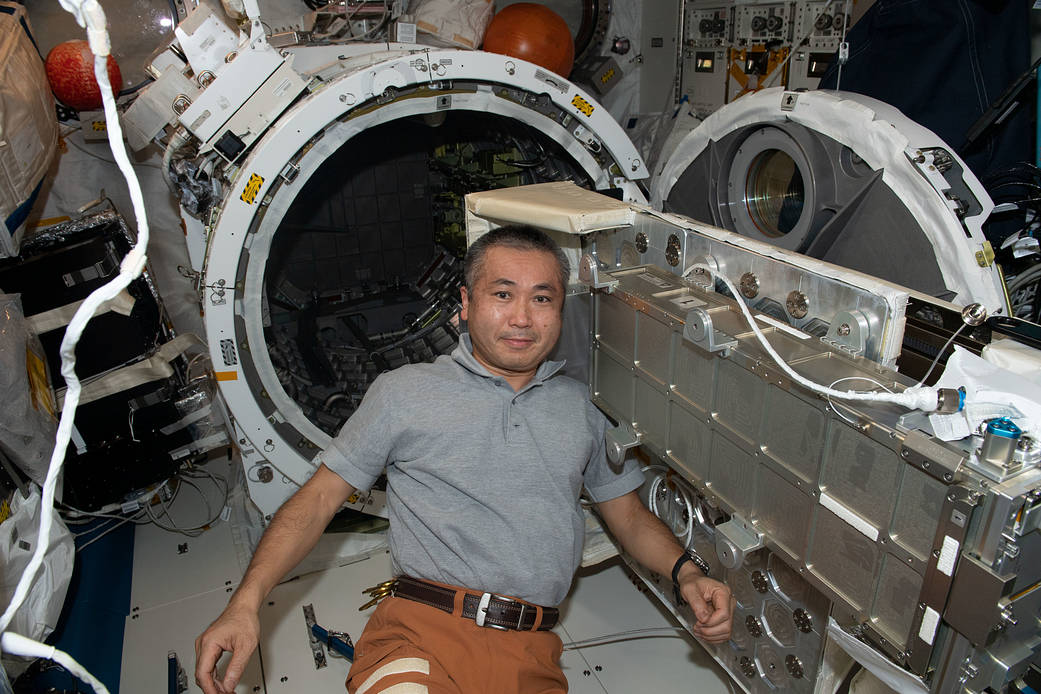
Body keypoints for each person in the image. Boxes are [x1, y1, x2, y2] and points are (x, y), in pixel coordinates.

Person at [195, 225, 735, 694]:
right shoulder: (404, 393)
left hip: (534, 652)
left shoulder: (583, 410)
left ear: (559, 310)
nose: (522, 316)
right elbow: (316, 501)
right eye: (503, 293)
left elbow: (629, 516)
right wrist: (245, 603)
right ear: (465, 303)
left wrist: (686, 572)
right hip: (422, 631)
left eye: (542, 298)